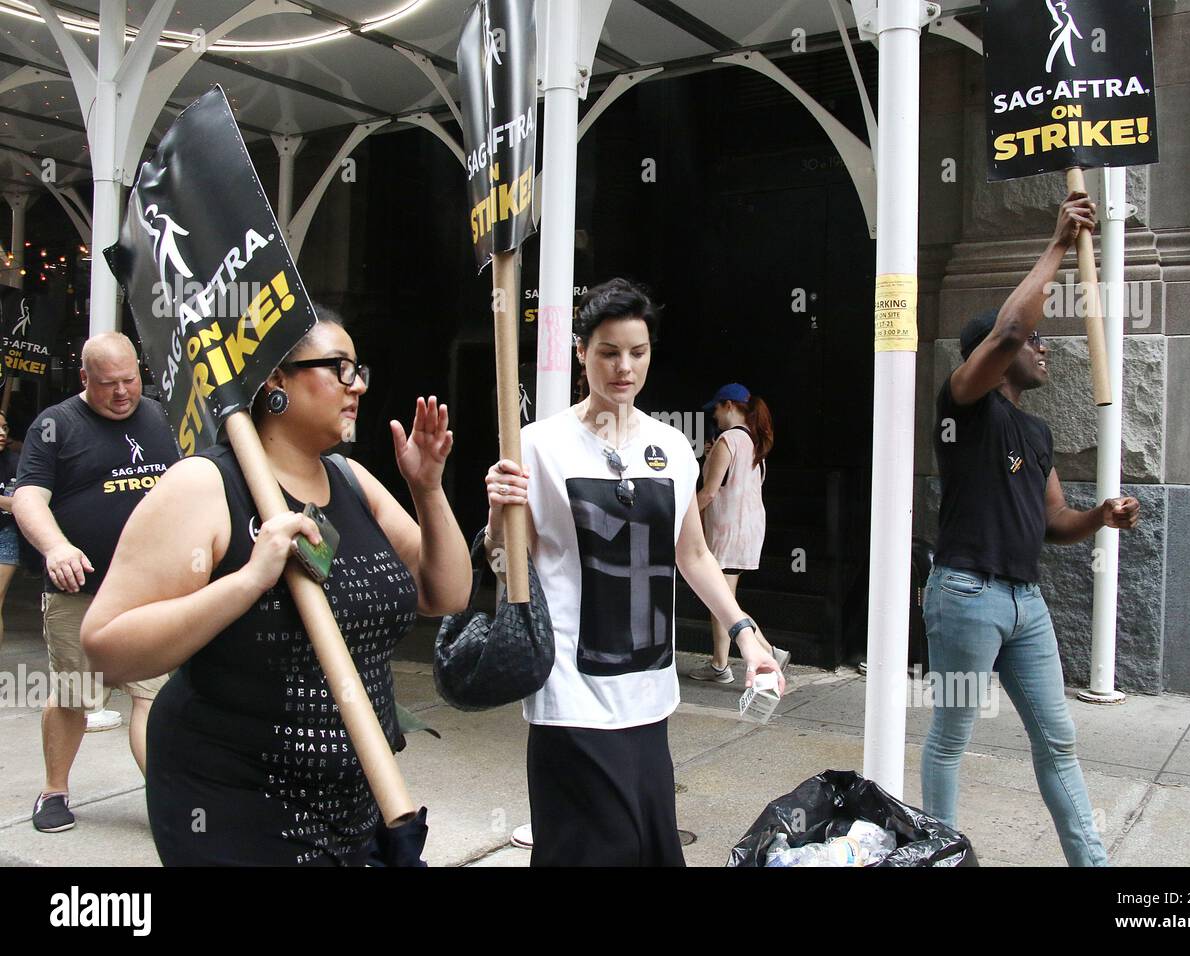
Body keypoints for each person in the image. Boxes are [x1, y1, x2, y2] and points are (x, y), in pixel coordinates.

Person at [81, 312, 472, 865]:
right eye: (337, 368)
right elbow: (105, 650)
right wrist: (248, 580)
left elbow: (447, 593)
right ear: (276, 380)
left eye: (357, 369)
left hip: (356, 804)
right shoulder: (205, 485)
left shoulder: (350, 479)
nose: (356, 384)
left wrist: (427, 489)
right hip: (237, 808)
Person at [485, 279, 785, 866]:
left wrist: (747, 633)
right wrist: (497, 515)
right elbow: (505, 567)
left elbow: (692, 554)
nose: (624, 367)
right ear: (581, 353)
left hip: (649, 695)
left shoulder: (672, 446)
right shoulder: (536, 445)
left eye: (637, 352)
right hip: (570, 693)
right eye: (608, 352)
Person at [922, 191, 1140, 867]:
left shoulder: (1036, 433)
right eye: (1034, 342)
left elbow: (1053, 522)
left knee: (1058, 741)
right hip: (963, 598)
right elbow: (1012, 331)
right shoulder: (966, 403)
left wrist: (1099, 518)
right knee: (952, 738)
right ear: (990, 354)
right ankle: (940, 858)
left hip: (1026, 607)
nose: (1044, 348)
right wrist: (1056, 247)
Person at [13, 333, 179, 833]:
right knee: (72, 693)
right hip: (78, 592)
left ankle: (165, 800)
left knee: (152, 696)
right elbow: (27, 498)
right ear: (85, 378)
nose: (124, 392)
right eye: (109, 384)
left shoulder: (159, 415)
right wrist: (56, 547)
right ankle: (54, 791)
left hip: (147, 591)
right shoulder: (55, 425)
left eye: (130, 379)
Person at [689, 383, 789, 682]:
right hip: (747, 530)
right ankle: (720, 664)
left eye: (717, 409)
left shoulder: (727, 441)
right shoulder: (753, 443)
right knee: (722, 598)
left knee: (723, 601)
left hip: (726, 531)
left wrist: (682, 518)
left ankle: (769, 653)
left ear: (729, 406)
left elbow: (708, 494)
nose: (715, 416)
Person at [0, 409, 22, 651]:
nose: (2, 433)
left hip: (4, 533)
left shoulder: (14, 462)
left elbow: (18, 503)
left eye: (4, 428)